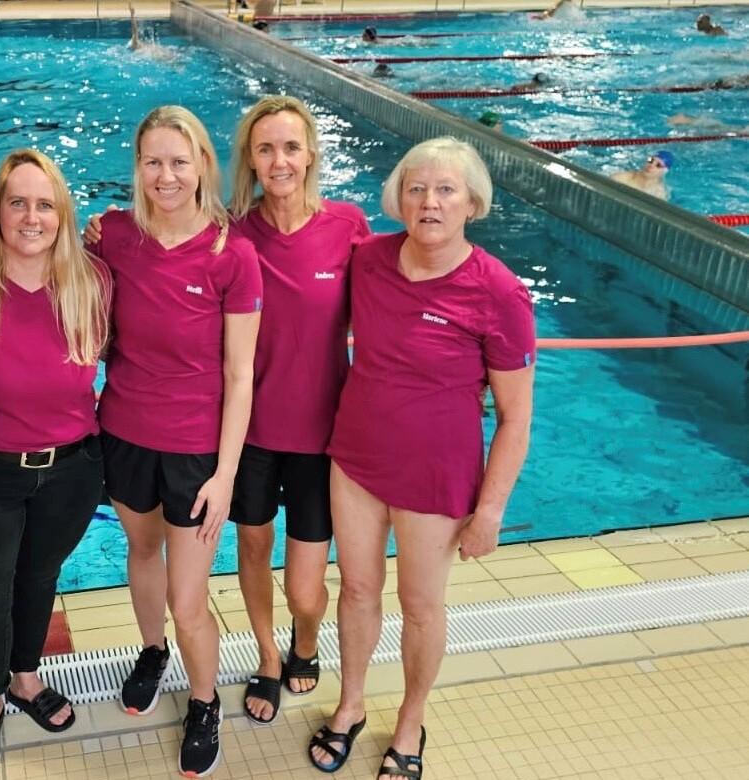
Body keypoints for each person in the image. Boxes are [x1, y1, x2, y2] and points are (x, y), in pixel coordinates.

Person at [308, 137, 535, 776]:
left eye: (445, 190)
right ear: (398, 199)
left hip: (436, 475)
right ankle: (351, 704)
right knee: (355, 588)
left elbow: (516, 419)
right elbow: (299, 263)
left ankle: (410, 722)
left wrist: (490, 509)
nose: (428, 202)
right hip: (355, 458)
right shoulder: (371, 260)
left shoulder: (498, 292)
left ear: (471, 203)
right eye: (416, 188)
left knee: (421, 605)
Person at [86, 105, 262, 778]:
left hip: (194, 453)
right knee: (141, 550)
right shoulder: (114, 236)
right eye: (153, 162)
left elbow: (240, 375)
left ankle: (205, 700)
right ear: (138, 167)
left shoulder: (231, 255)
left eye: (178, 162)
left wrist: (225, 473)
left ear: (202, 168)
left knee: (190, 600)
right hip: (123, 432)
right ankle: (152, 652)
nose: (165, 175)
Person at [0, 149, 110, 770]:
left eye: (45, 205)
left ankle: (24, 676)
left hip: (71, 468)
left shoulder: (93, 282)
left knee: (39, 579)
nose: (31, 217)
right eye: (18, 203)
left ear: (63, 215)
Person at [226, 96, 371, 727]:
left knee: (306, 588)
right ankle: (264, 655)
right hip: (250, 434)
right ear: (251, 161)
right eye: (265, 149)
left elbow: (387, 312)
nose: (279, 160)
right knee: (254, 549)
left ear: (310, 153)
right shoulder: (233, 232)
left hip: (320, 438)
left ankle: (305, 641)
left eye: (290, 147)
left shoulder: (347, 227)